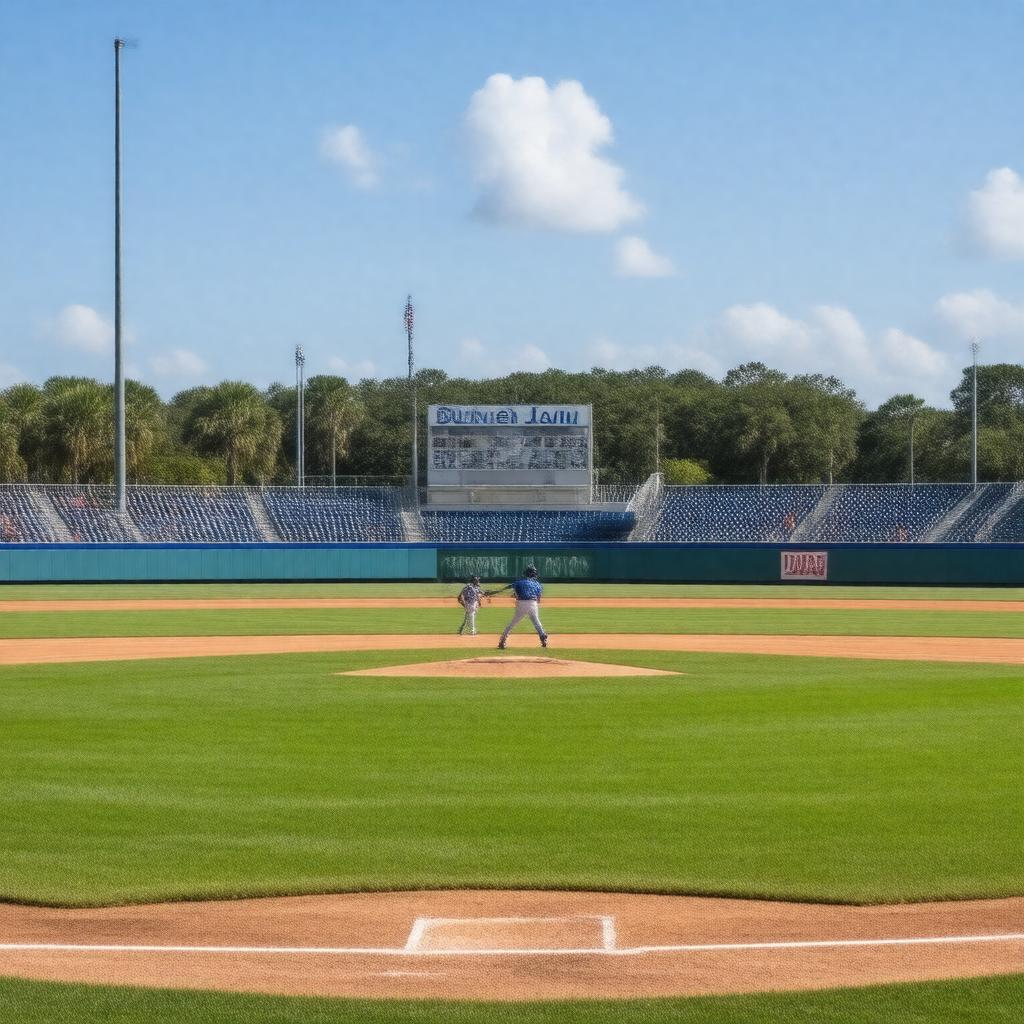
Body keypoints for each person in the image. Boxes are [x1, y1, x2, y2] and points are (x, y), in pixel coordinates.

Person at [496, 564, 548, 650]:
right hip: (533, 603)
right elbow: (539, 598)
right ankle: (543, 637)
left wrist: (499, 591)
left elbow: (511, 588)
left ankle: (502, 641)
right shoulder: (537, 584)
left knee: (512, 624)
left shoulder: (519, 582)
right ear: (534, 574)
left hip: (521, 603)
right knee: (537, 622)